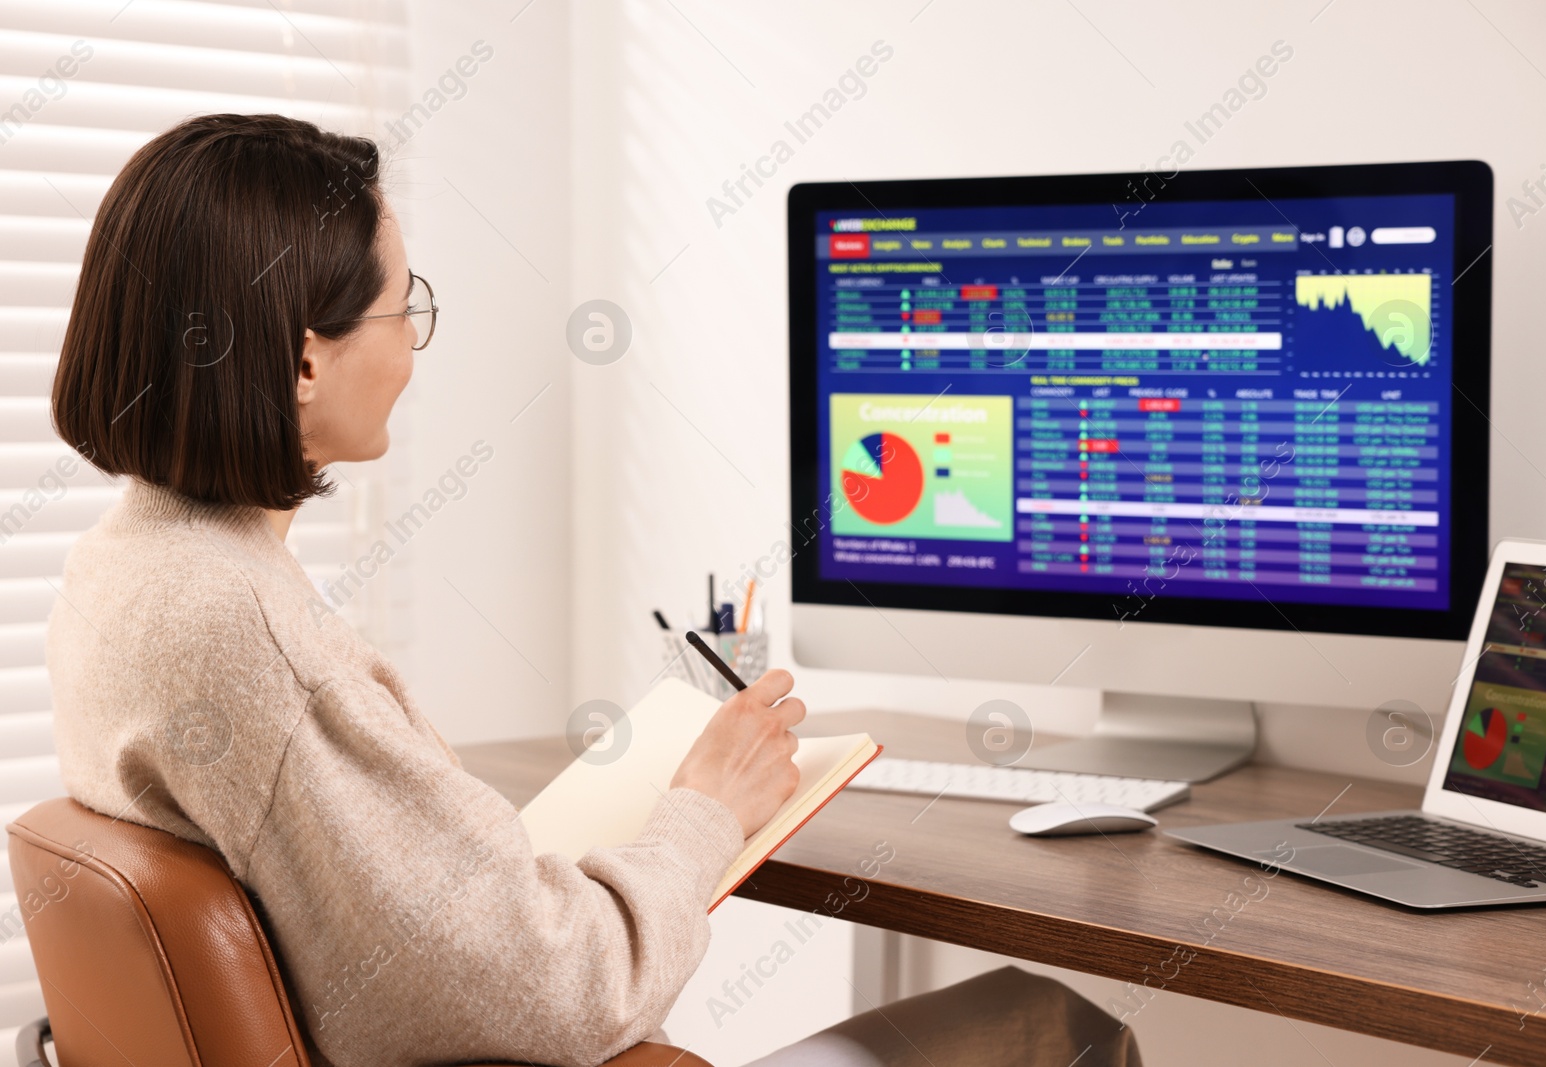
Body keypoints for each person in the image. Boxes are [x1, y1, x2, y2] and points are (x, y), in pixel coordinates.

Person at [45, 114, 1140, 1067]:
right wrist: (703, 810)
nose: (414, 348)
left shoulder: (125, 571)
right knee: (1056, 1022)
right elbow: (569, 993)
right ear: (302, 362)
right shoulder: (252, 632)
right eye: (400, 309)